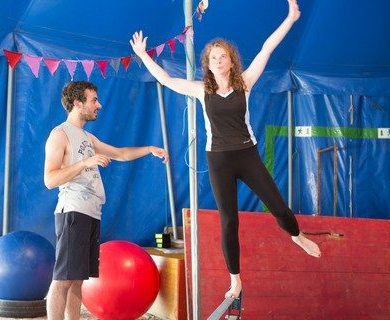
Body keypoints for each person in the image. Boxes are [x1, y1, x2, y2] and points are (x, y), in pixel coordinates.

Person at [130, 0, 320, 300]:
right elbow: (167, 79)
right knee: (229, 220)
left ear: (231, 61)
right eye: (213, 57)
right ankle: (235, 279)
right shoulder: (201, 90)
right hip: (218, 159)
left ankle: (296, 235)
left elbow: (266, 49)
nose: (218, 61)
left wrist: (291, 18)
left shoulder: (245, 83)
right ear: (207, 63)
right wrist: (143, 55)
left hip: (247, 154)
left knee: (277, 204)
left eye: (223, 56)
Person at [43, 80, 168, 320]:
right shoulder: (59, 134)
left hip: (91, 212)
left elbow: (120, 153)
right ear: (78, 104)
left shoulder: (88, 137)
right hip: (73, 211)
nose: (99, 105)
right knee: (63, 280)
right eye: (93, 100)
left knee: (77, 280)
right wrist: (84, 163)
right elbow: (50, 179)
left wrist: (150, 148)